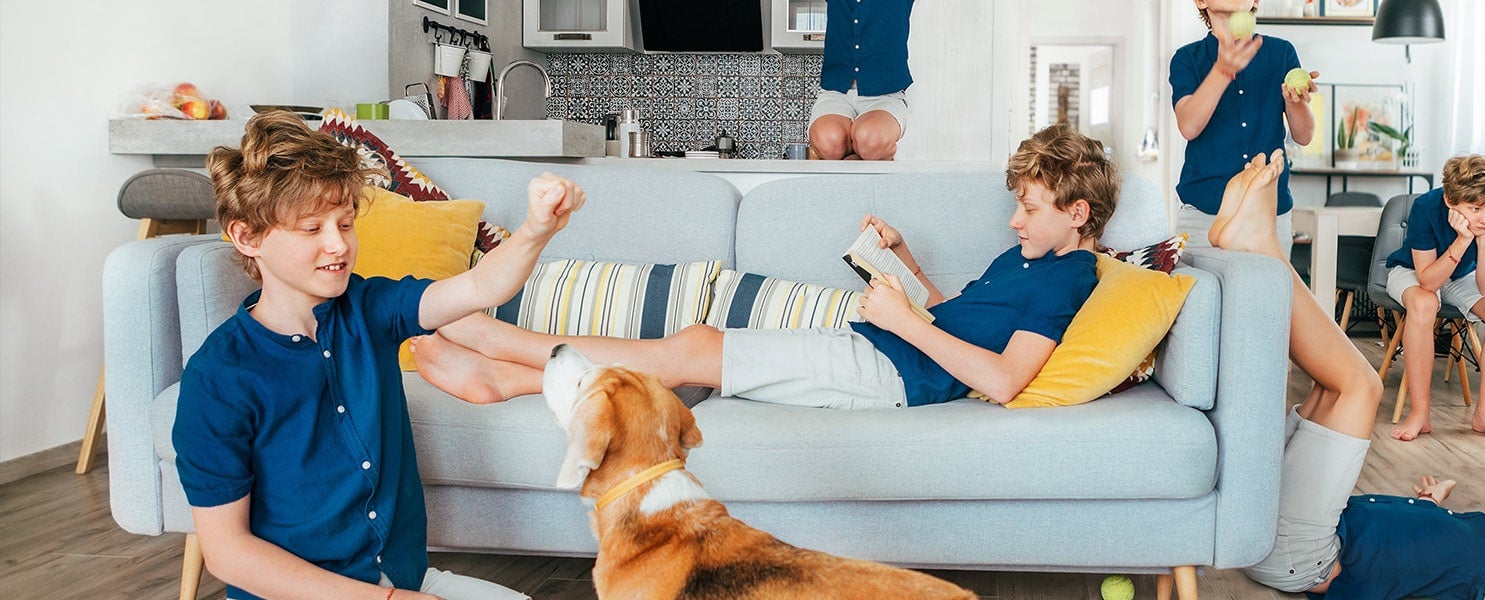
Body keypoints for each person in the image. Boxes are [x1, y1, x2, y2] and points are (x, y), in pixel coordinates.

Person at [173, 111, 585, 600]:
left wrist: (537, 229)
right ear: (247, 237)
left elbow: (481, 286)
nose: (338, 245)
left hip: (405, 581)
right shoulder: (218, 378)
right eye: (311, 229)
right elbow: (227, 552)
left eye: (345, 224)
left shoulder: (370, 307)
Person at [413, 125, 1114, 410]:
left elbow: (1004, 378)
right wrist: (902, 261)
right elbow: (954, 317)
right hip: (885, 347)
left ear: (1077, 212)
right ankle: (511, 378)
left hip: (895, 374)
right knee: (692, 358)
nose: (1015, 220)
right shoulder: (1028, 256)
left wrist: (903, 321)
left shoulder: (1070, 277)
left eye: (1029, 207)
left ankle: (505, 345)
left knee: (693, 349)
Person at [1208, 154, 1485, 599]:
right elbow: (1426, 557)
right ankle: (1254, 245)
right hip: (1282, 534)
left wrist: (1481, 242)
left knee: (1359, 386)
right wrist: (1430, 505)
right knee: (1329, 388)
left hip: (1304, 555)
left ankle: (1262, 246)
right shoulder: (1481, 531)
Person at [1384, 155, 1485, 443]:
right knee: (1424, 304)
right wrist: (1462, 240)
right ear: (1450, 201)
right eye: (1475, 209)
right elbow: (1428, 281)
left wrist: (1482, 241)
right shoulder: (1426, 206)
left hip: (1464, 274)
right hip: (1416, 270)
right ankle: (1420, 413)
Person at [1170, 0, 1317, 260]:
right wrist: (1223, 70)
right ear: (1201, 1)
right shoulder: (1187, 58)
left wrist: (1295, 102)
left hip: (1270, 217)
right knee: (1202, 289)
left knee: (1271, 288)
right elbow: (1189, 126)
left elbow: (1304, 136)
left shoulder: (1282, 52)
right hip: (1203, 217)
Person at [807, 0, 916, 160]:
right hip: (837, 91)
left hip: (885, 95)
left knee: (871, 141)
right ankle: (858, 155)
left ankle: (866, 153)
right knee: (828, 142)